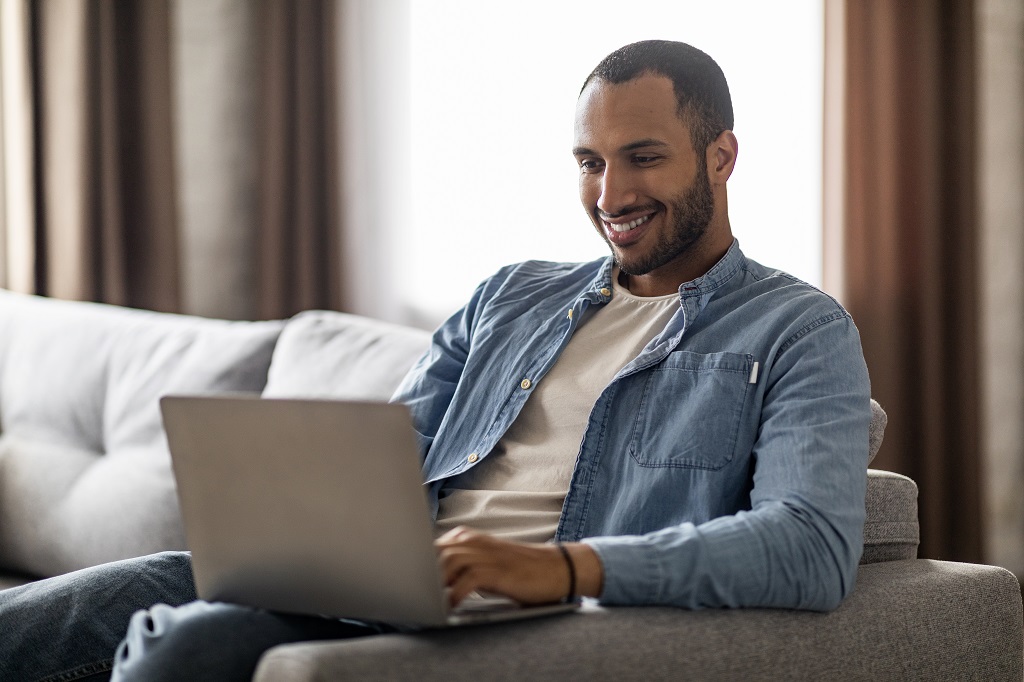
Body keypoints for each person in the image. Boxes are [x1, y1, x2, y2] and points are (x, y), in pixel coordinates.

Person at [0, 40, 871, 682]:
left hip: (526, 614)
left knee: (185, 646)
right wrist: (297, 523)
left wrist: (564, 567)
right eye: (589, 163)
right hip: (385, 581)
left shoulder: (796, 329)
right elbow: (393, 449)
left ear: (721, 156)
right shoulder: (512, 296)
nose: (610, 197)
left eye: (643, 158)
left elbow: (810, 544)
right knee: (82, 604)